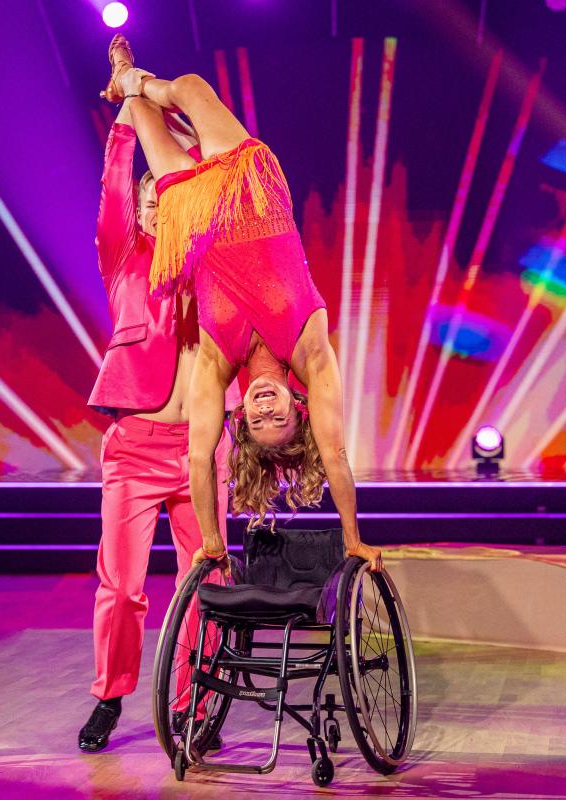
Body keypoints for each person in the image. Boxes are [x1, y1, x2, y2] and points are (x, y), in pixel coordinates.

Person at [105, 36, 382, 573]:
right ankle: (139, 79)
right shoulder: (311, 351)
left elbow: (199, 458)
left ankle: (128, 80)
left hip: (191, 215)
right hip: (250, 188)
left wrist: (213, 543)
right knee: (187, 88)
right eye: (277, 416)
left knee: (140, 115)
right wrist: (352, 538)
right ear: (297, 410)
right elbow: (336, 455)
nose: (262, 409)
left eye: (257, 422)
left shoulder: (216, 359)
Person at [78, 95, 234, 753]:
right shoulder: (123, 259)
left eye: (162, 198)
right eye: (146, 202)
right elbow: (116, 190)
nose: (150, 208)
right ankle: (111, 696)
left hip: (203, 449)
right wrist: (128, 111)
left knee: (209, 582)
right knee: (122, 589)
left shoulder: (217, 268)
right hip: (135, 448)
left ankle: (193, 707)